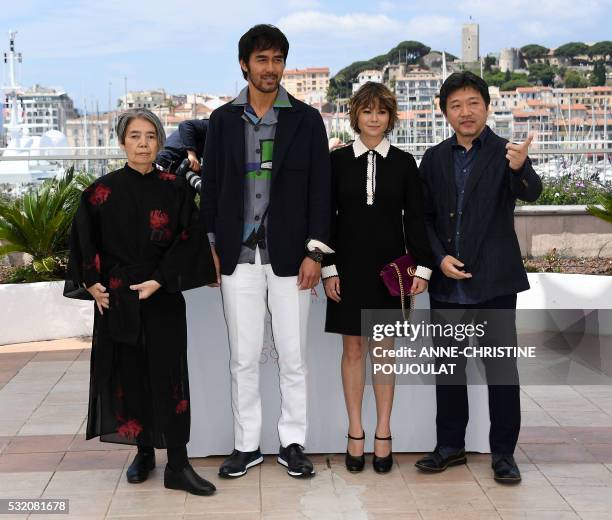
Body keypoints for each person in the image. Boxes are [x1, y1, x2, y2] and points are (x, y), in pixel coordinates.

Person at [201, 24, 332, 479]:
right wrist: (213, 246)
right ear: (245, 64)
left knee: (293, 356)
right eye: (262, 60)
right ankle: (246, 445)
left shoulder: (306, 119)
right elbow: (212, 189)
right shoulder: (221, 121)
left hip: (292, 258)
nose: (270, 68)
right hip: (238, 257)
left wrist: (316, 253)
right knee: (243, 356)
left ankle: (293, 442)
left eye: (277, 59)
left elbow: (321, 191)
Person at [65, 108, 217, 495]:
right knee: (130, 376)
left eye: (150, 135)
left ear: (160, 141)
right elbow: (83, 242)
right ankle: (144, 453)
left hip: (162, 294)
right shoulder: (100, 191)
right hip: (119, 299)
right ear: (121, 142)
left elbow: (191, 237)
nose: (143, 143)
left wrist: (161, 280)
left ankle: (178, 465)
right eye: (134, 136)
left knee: (169, 377)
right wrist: (92, 284)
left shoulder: (176, 187)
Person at [415, 72, 542, 483]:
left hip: (495, 282)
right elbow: (424, 218)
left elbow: (532, 192)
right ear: (445, 111)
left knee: (501, 372)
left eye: (473, 103)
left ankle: (504, 453)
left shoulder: (507, 153)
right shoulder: (433, 158)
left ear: (487, 106)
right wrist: (438, 258)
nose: (465, 112)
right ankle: (450, 447)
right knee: (448, 370)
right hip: (448, 283)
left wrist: (522, 169)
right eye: (456, 105)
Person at [321, 82, 434, 474]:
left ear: (390, 117)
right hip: (347, 269)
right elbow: (325, 220)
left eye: (381, 112)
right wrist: (328, 267)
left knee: (384, 351)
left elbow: (416, 220)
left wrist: (422, 267)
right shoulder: (335, 163)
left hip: (390, 272)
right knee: (353, 351)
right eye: (367, 111)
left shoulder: (404, 163)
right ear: (355, 116)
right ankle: (355, 432)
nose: (374, 118)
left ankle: (384, 432)